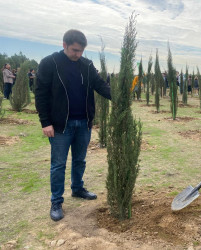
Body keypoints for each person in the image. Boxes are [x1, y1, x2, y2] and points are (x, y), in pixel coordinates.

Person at [35, 29, 111, 222]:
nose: (78, 54)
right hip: (60, 125)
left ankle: (77, 189)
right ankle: (56, 201)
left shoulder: (86, 65)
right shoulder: (49, 63)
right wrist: (46, 122)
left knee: (80, 160)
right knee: (58, 164)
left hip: (83, 123)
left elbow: (100, 85)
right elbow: (41, 94)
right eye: (75, 50)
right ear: (64, 45)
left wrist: (119, 96)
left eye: (81, 51)